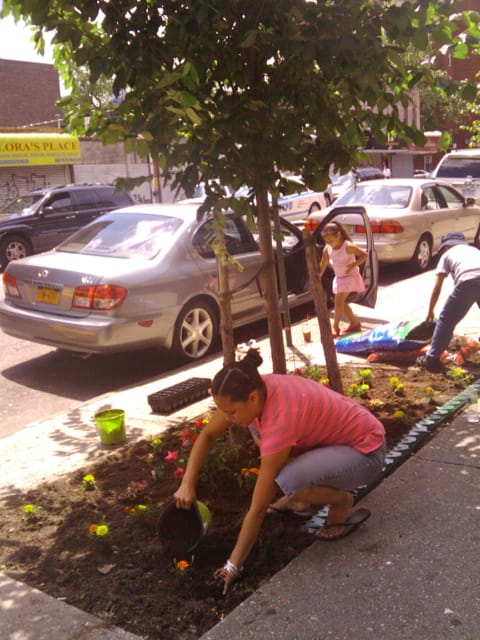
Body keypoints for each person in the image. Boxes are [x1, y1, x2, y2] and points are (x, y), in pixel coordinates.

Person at [174, 349, 386, 594]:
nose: (228, 418)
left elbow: (258, 508)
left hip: (366, 452)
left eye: (231, 412)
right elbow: (208, 434)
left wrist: (232, 566)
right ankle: (303, 498)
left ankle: (340, 501)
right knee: (268, 451)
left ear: (252, 398)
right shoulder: (256, 390)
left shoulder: (279, 419)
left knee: (288, 484)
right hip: (336, 444)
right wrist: (187, 483)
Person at [416, 231, 480, 372]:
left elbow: (437, 287)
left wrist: (430, 311)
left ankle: (431, 359)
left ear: (446, 247)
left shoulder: (446, 255)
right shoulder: (474, 250)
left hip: (468, 281)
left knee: (446, 320)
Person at [319, 220, 368, 337]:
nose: (329, 243)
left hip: (350, 277)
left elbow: (364, 255)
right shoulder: (327, 249)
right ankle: (354, 323)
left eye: (331, 240)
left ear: (339, 235)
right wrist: (317, 277)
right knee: (341, 303)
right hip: (340, 277)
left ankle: (335, 327)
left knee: (338, 302)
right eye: (327, 241)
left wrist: (353, 265)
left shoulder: (347, 246)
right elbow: (322, 266)